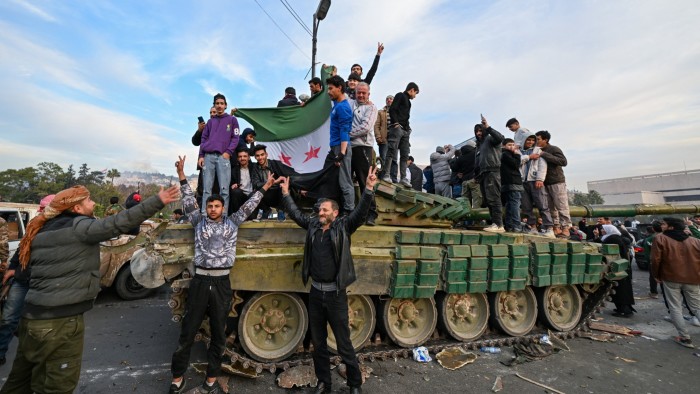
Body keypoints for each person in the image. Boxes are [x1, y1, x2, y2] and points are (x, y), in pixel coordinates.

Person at [1, 185, 178, 393]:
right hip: (60, 324)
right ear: (76, 208)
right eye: (88, 201)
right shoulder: (78, 227)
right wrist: (158, 200)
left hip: (31, 320)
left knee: (19, 382)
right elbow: (118, 223)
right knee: (57, 386)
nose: (93, 203)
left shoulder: (42, 229)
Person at [169, 156, 279, 394]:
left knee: (219, 333)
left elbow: (250, 205)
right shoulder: (198, 221)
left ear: (222, 208)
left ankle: (211, 379)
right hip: (200, 281)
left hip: (221, 282)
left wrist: (266, 186)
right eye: (209, 206)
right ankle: (177, 378)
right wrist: (181, 174)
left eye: (216, 206)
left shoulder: (232, 223)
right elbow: (188, 199)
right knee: (188, 331)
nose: (212, 209)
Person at [279, 166, 378, 394]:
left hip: (335, 294)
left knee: (343, 344)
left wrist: (369, 189)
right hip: (316, 293)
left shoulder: (344, 226)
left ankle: (354, 384)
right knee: (319, 343)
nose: (320, 212)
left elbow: (360, 213)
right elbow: (296, 215)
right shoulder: (313, 225)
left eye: (324, 210)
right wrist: (285, 193)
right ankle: (325, 382)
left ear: (335, 213)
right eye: (320, 209)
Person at [0, 195, 56, 367]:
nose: (41, 212)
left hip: (44, 282)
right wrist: (12, 268)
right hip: (22, 278)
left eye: (44, 209)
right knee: (9, 317)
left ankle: (38, 357)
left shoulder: (63, 230)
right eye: (41, 208)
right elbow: (22, 249)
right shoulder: (34, 226)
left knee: (39, 322)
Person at [651, 217, 700, 348]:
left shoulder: (660, 239)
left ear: (671, 227)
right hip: (693, 278)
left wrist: (656, 275)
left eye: (664, 224)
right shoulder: (695, 241)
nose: (662, 226)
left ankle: (684, 338)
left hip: (670, 277)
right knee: (697, 307)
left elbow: (655, 260)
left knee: (675, 307)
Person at [198, 93, 240, 214]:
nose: (219, 106)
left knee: (224, 189)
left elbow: (235, 137)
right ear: (214, 106)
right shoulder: (210, 122)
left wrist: (228, 152)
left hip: (223, 157)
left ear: (226, 105)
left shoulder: (232, 120)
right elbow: (203, 139)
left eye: (222, 103)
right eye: (217, 103)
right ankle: (205, 215)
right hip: (208, 157)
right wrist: (201, 155)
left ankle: (224, 215)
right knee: (207, 189)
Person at [529, 130, 571, 238]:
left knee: (561, 206)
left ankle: (566, 228)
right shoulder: (536, 150)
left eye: (538, 139)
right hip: (544, 183)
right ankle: (556, 228)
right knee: (550, 207)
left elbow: (563, 161)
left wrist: (544, 154)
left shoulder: (553, 149)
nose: (536, 141)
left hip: (557, 181)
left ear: (545, 140)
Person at [349, 82, 379, 225]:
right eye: (358, 92)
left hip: (363, 148)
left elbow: (365, 128)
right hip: (348, 148)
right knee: (346, 180)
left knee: (365, 181)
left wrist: (346, 135)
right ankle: (348, 211)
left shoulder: (372, 108)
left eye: (363, 93)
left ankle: (371, 213)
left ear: (369, 94)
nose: (360, 95)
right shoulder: (349, 103)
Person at [326, 75, 355, 215]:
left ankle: (350, 213)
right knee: (335, 181)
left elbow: (345, 131)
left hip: (341, 147)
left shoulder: (343, 107)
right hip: (335, 147)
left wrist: (342, 153)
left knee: (345, 182)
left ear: (340, 88)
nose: (328, 91)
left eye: (331, 89)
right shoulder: (337, 104)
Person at [382, 82, 419, 187]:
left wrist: (408, 129)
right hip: (397, 128)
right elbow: (393, 109)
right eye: (415, 93)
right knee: (391, 151)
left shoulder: (409, 102)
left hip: (405, 131)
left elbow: (406, 116)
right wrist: (396, 123)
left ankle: (403, 178)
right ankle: (386, 175)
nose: (415, 96)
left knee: (405, 154)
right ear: (411, 90)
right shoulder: (400, 95)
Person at [595, 224, 635, 317]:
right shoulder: (615, 237)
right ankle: (622, 308)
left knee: (621, 290)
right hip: (620, 267)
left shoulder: (613, 238)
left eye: (604, 229)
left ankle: (625, 310)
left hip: (619, 268)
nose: (602, 231)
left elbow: (602, 245)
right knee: (621, 289)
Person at [474, 117, 505, 233]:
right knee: (488, 200)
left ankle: (498, 224)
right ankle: (494, 223)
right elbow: (477, 162)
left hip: (493, 171)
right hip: (483, 173)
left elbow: (500, 137)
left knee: (494, 198)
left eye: (480, 130)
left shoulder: (490, 139)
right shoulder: (480, 145)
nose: (478, 133)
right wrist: (476, 175)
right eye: (476, 131)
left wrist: (488, 127)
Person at [520, 134, 554, 237]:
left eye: (532, 140)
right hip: (522, 181)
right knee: (526, 207)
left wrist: (540, 179)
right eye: (528, 140)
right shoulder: (519, 151)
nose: (530, 142)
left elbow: (542, 165)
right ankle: (533, 227)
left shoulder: (539, 150)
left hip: (535, 180)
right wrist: (528, 157)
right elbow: (516, 161)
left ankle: (549, 228)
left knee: (542, 205)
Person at [251, 145, 297, 219]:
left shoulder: (276, 164)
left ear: (266, 154)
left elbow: (290, 175)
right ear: (255, 157)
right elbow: (256, 184)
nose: (260, 158)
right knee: (253, 194)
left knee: (283, 187)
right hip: (265, 194)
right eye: (257, 156)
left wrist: (300, 188)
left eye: (262, 155)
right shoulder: (255, 168)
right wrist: (269, 183)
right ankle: (269, 211)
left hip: (277, 193)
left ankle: (283, 211)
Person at [192, 106, 220, 206]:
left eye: (214, 112)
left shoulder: (223, 126)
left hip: (219, 165)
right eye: (210, 112)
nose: (212, 114)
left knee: (216, 191)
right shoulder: (206, 127)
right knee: (202, 190)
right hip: (204, 164)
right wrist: (199, 130)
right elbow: (195, 142)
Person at [229, 147, 262, 218]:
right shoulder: (234, 170)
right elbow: (229, 185)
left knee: (255, 194)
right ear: (237, 158)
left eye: (244, 156)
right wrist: (233, 185)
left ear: (249, 157)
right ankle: (237, 216)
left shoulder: (255, 167)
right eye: (240, 156)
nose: (242, 158)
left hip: (252, 195)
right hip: (241, 197)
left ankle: (253, 217)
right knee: (235, 192)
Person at [500, 138, 524, 232]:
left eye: (513, 145)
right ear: (504, 146)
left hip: (507, 183)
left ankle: (509, 225)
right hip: (513, 182)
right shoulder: (506, 154)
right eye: (509, 145)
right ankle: (516, 225)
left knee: (510, 204)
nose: (512, 147)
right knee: (515, 204)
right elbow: (516, 164)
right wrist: (517, 155)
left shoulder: (503, 154)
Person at [456, 144, 481, 209]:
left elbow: (454, 168)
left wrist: (460, 172)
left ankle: (467, 216)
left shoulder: (460, 158)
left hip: (464, 181)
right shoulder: (474, 154)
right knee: (477, 199)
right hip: (474, 179)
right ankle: (477, 217)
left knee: (465, 200)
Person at [374, 95, 393, 173]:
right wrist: (378, 137)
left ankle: (392, 177)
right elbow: (376, 125)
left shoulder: (398, 112)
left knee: (393, 158)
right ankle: (383, 175)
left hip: (394, 140)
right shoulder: (380, 112)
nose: (388, 100)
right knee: (383, 158)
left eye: (391, 99)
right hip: (384, 139)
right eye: (387, 99)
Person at [643, 222, 662, 298]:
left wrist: (649, 261)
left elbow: (647, 253)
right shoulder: (667, 238)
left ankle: (654, 293)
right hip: (666, 262)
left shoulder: (649, 239)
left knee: (653, 277)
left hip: (653, 262)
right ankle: (665, 292)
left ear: (653, 229)